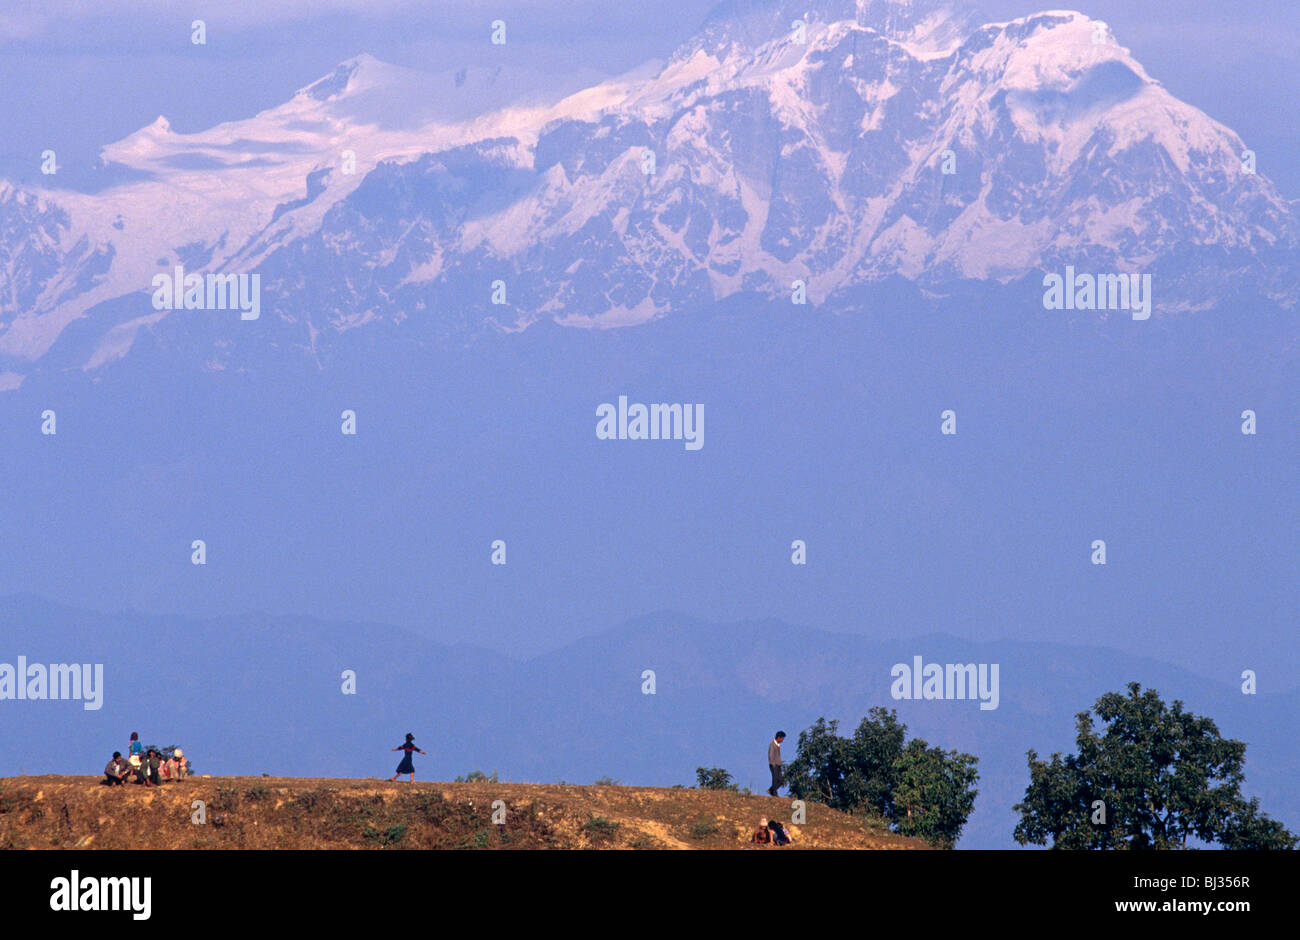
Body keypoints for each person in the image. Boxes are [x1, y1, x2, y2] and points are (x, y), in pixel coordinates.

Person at [768, 731, 786, 796]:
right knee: (775, 779)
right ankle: (774, 793)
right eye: (782, 739)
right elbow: (771, 755)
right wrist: (773, 764)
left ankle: (771, 790)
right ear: (778, 737)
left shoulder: (777, 745)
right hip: (774, 765)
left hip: (778, 765)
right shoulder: (772, 745)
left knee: (780, 780)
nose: (782, 740)